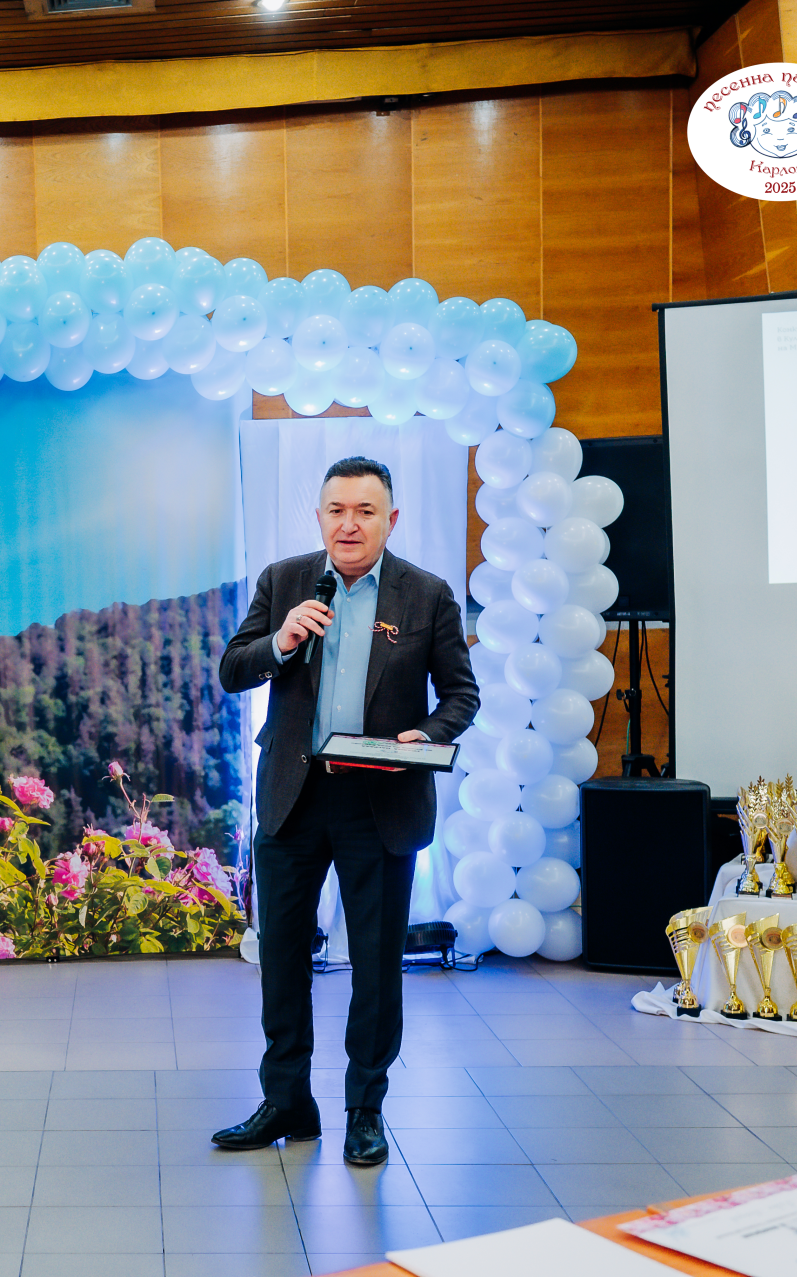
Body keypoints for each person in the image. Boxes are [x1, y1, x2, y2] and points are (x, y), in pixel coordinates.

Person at [213, 456, 480, 1165]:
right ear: (320, 517)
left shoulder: (426, 594)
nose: (350, 524)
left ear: (391, 520)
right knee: (281, 959)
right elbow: (233, 668)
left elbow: (461, 694)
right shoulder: (284, 581)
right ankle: (286, 1102)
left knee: (375, 964)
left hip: (380, 800)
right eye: (337, 510)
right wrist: (280, 640)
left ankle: (365, 1107)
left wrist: (425, 734)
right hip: (292, 798)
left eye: (365, 511)